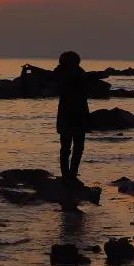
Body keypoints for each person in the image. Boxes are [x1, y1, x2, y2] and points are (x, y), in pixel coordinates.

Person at [55, 51, 90, 181]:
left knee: (70, 147)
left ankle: (70, 174)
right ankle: (69, 174)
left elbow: (48, 76)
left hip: (74, 115)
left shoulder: (69, 74)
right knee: (72, 147)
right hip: (75, 115)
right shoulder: (76, 74)